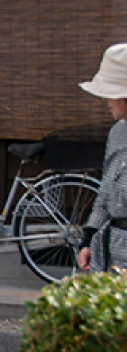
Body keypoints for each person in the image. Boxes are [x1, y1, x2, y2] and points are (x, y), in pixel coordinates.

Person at [77, 42, 127, 273]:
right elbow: (105, 191)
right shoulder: (117, 133)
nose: (105, 101)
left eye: (110, 94)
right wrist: (89, 237)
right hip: (111, 248)